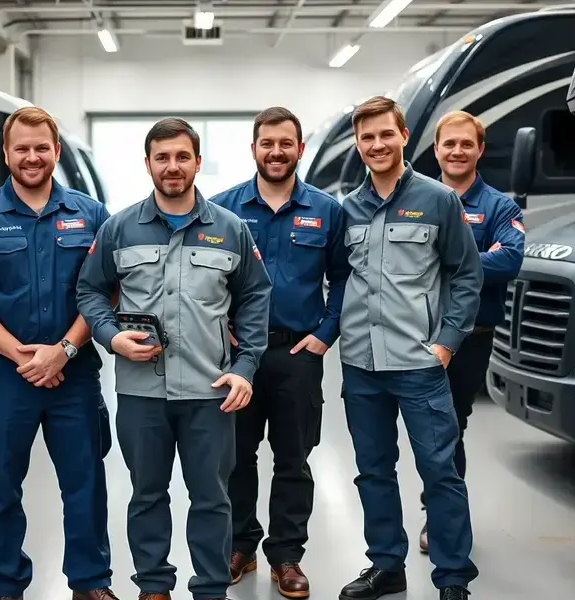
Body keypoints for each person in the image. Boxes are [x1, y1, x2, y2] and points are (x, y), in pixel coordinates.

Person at [76, 117, 272, 600]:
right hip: (142, 393)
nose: (172, 166)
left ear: (198, 162)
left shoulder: (231, 229)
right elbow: (90, 289)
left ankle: (209, 588)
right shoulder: (119, 228)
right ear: (147, 164)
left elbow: (254, 300)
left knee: (211, 498)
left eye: (182, 156)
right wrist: (109, 336)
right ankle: (155, 587)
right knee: (147, 495)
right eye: (162, 157)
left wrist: (244, 368)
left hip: (210, 391)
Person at [0, 106, 116, 600]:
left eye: (42, 147)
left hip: (74, 377)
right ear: (7, 153)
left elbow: (106, 293)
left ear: (56, 151)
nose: (32, 157)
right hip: (3, 379)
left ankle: (89, 583)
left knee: (85, 486)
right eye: (22, 148)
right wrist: (25, 357)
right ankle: (5, 586)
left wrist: (62, 350)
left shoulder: (90, 214)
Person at [336, 96, 482, 600]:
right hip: (360, 364)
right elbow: (338, 280)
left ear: (402, 136)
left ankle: (453, 577)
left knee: (439, 471)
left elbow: (466, 274)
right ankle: (386, 566)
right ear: (359, 144)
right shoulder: (346, 209)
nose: (376, 144)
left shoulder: (439, 199)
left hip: (420, 363)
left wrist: (446, 344)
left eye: (385, 134)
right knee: (373, 471)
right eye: (367, 137)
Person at [209, 106, 349, 598]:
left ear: (299, 149)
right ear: (253, 149)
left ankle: (287, 556)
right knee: (236, 457)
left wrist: (325, 335)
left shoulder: (327, 211)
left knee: (294, 459)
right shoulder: (223, 210)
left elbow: (344, 279)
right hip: (237, 359)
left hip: (297, 356)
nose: (276, 152)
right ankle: (240, 547)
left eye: (285, 143)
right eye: (267, 143)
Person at [415, 110, 525, 552]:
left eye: (466, 144)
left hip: (471, 337)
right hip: (417, 333)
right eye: (449, 144)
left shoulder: (500, 206)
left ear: (479, 150)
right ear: (437, 150)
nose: (457, 151)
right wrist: (475, 258)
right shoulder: (416, 199)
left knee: (449, 425)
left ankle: (440, 514)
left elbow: (511, 259)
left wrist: (447, 261)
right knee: (422, 426)